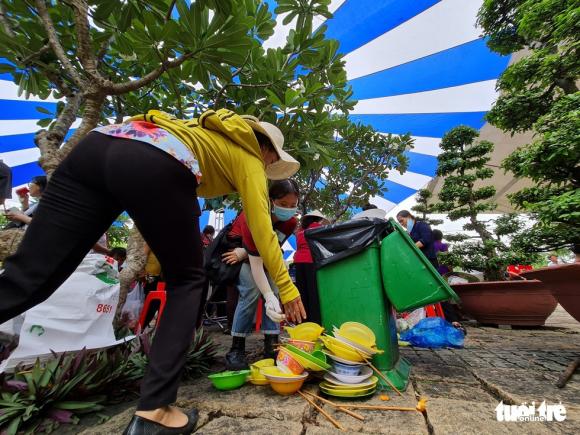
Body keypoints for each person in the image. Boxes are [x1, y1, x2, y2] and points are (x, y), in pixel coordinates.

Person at [0, 108, 305, 435]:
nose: (270, 167)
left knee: (31, 274)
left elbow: (128, 205)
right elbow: (262, 233)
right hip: (156, 160)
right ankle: (154, 412)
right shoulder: (251, 160)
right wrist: (288, 291)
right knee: (188, 279)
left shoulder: (200, 133)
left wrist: (116, 251)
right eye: (272, 161)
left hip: (98, 145)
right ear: (267, 150)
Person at [223, 179, 300, 370]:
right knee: (251, 289)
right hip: (236, 251)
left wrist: (272, 293)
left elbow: (271, 251)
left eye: (293, 205)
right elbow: (256, 264)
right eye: (282, 204)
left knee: (275, 289)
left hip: (264, 253)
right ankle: (236, 348)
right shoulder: (254, 214)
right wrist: (243, 252)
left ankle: (271, 345)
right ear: (271, 201)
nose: (288, 209)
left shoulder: (290, 222)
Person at [293, 210, 328, 324]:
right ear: (318, 219)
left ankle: (303, 321)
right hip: (310, 261)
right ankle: (315, 321)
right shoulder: (317, 227)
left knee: (302, 292)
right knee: (313, 292)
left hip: (298, 262)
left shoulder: (300, 232)